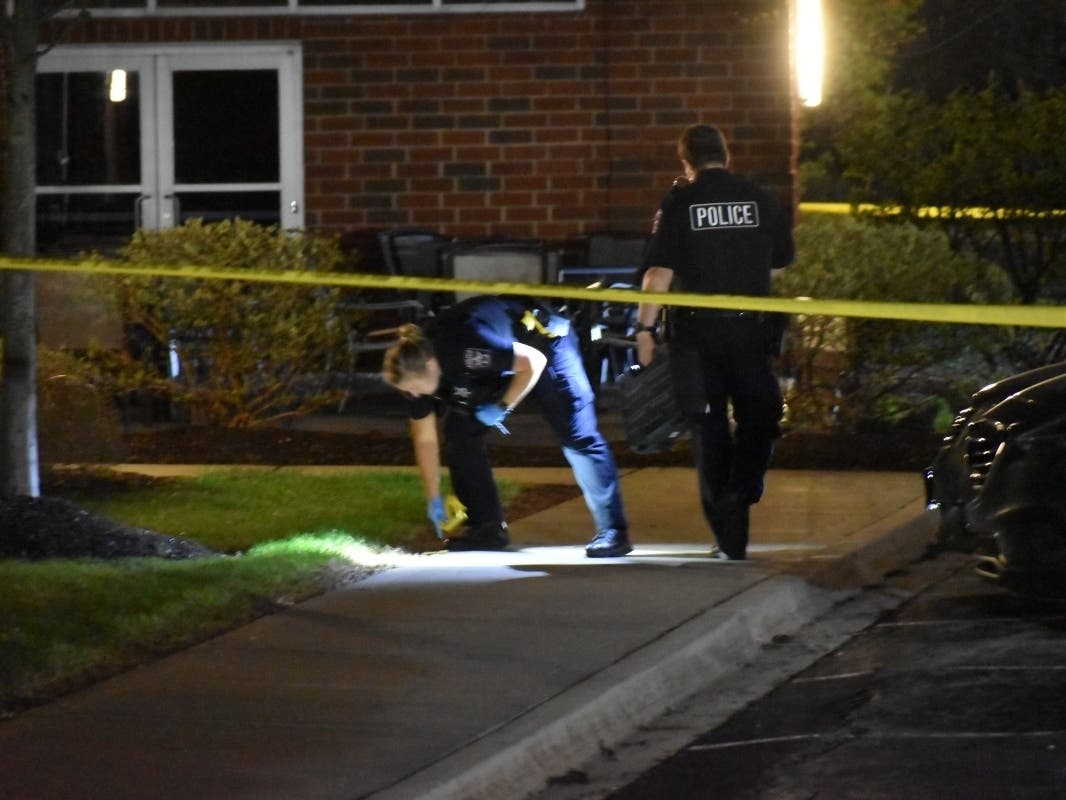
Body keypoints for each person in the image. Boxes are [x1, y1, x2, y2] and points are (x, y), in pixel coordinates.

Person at [634, 124, 795, 560]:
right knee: (761, 417)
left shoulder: (680, 202)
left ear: (686, 163)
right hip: (750, 329)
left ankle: (729, 535)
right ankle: (741, 492)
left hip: (696, 335)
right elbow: (779, 262)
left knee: (709, 429)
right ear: (727, 155)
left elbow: (658, 274)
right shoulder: (760, 198)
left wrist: (644, 330)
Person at [382, 294, 632, 558]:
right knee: (460, 432)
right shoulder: (415, 370)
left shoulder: (466, 351)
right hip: (504, 359)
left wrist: (502, 407)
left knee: (577, 435)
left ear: (431, 367)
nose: (412, 395)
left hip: (545, 342)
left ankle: (614, 532)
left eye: (412, 388)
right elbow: (424, 438)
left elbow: (533, 362)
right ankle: (486, 528)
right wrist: (433, 497)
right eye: (405, 391)